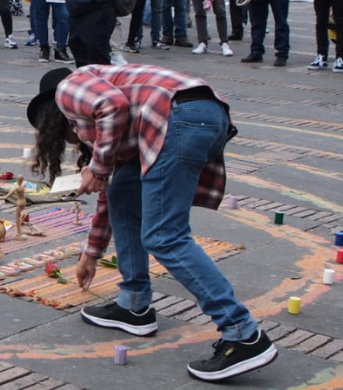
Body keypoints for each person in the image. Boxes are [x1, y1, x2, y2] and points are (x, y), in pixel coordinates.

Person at [27, 65, 277, 383]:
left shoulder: (69, 90)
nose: (75, 139)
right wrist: (90, 252)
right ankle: (134, 306)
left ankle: (243, 334)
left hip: (179, 118)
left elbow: (111, 106)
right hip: (198, 114)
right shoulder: (113, 125)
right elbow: (109, 195)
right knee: (123, 192)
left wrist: (99, 167)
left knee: (165, 236)